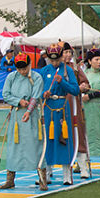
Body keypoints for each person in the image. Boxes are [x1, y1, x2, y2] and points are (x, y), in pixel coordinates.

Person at [0, 52, 44, 189]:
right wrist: (18, 101)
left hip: (31, 116)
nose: (22, 71)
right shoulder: (11, 77)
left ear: (29, 65)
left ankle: (42, 178)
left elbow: (36, 96)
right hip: (16, 116)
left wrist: (29, 110)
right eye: (19, 69)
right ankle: (10, 179)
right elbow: (5, 94)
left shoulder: (36, 77)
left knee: (36, 144)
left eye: (24, 68)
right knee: (14, 146)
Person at [37, 44, 80, 186]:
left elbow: (75, 90)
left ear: (61, 57)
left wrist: (63, 83)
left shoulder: (67, 70)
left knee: (64, 138)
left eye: (57, 60)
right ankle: (47, 173)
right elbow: (38, 90)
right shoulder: (44, 70)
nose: (55, 63)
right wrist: (44, 94)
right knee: (48, 139)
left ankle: (67, 175)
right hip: (49, 108)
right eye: (52, 60)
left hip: (62, 107)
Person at [62, 43, 92, 178]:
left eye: (69, 52)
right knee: (59, 136)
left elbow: (85, 83)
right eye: (65, 52)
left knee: (78, 135)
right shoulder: (55, 68)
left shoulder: (75, 68)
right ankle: (53, 171)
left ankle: (83, 167)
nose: (68, 55)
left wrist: (83, 86)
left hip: (74, 105)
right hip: (59, 106)